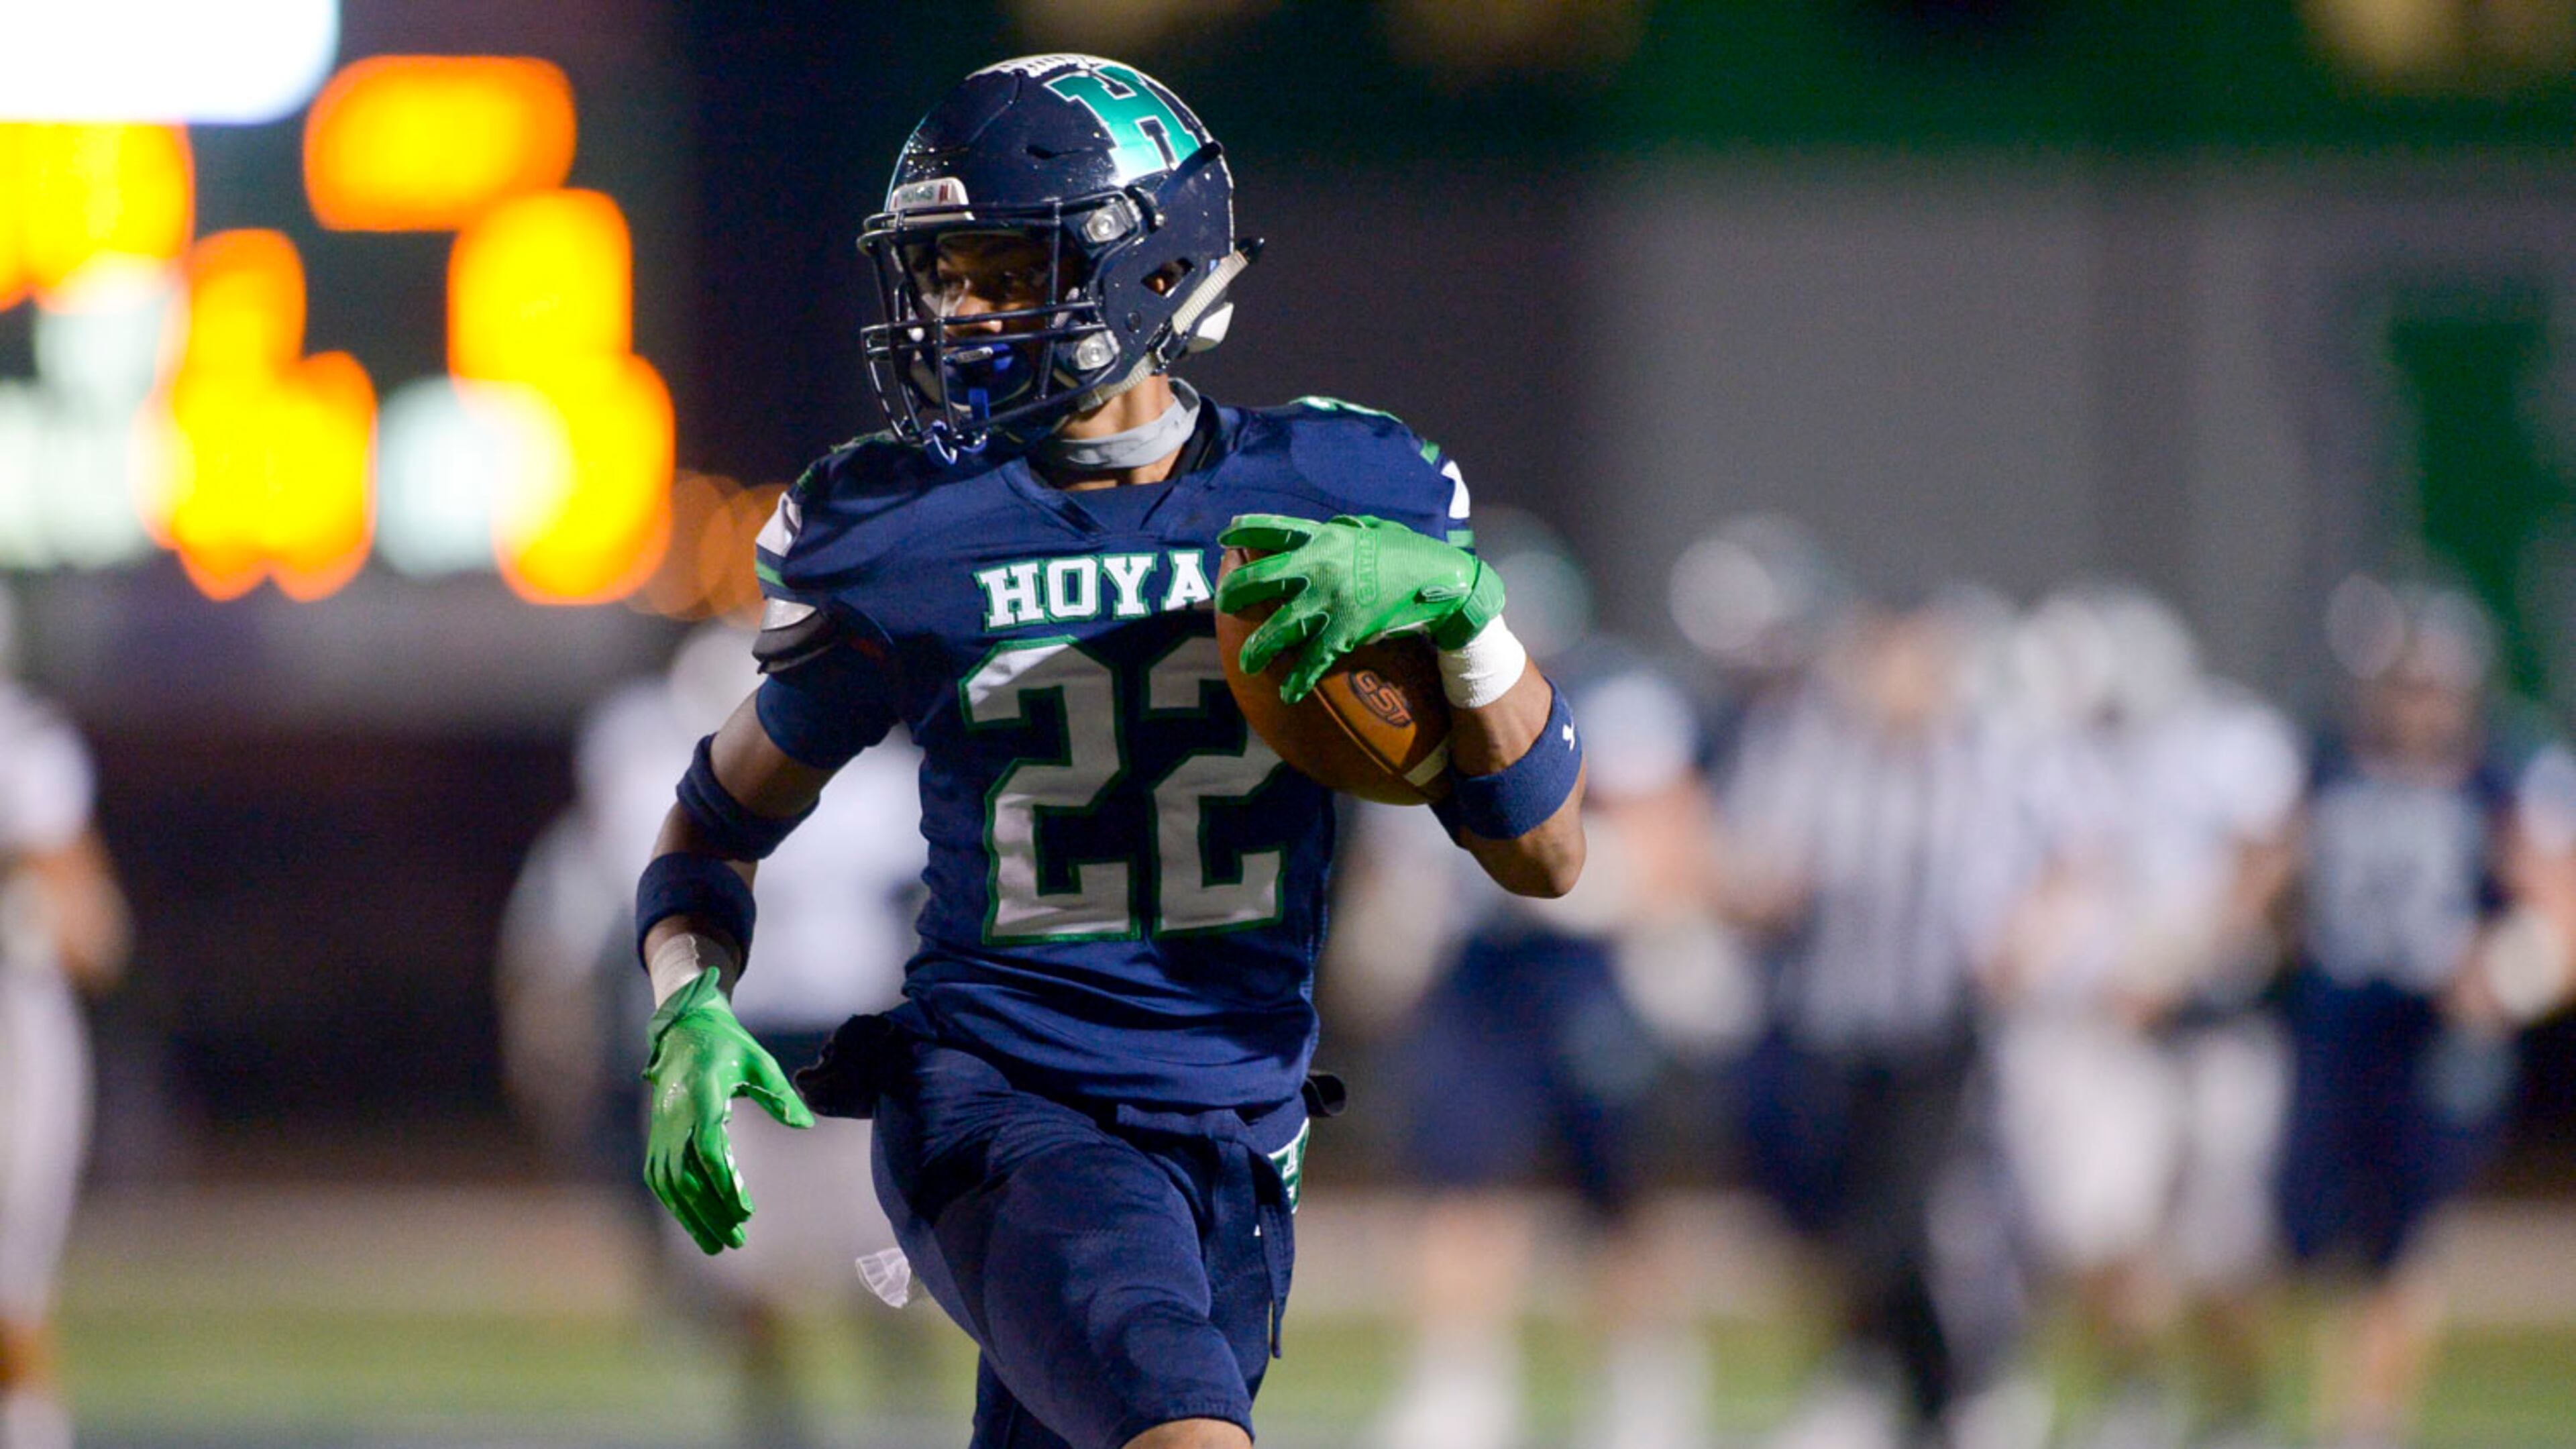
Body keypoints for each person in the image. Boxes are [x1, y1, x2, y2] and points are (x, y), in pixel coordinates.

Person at [629, 55, 1586, 1449]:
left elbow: (1548, 855)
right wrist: (685, 1004)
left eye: (1006, 268)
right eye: (945, 273)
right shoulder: (904, 534)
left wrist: (1471, 618)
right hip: (1002, 1103)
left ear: (1151, 267)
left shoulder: (1339, 496)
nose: (961, 311)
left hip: (1242, 1130)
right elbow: (713, 821)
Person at [1342, 512, 1737, 1449]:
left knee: (1620, 1191)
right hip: (1485, 972)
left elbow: (1673, 835)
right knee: (1457, 1175)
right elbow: (1400, 863)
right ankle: (1461, 1383)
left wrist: (1595, 884)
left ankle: (1645, 1381)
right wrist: (1390, 925)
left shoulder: (1613, 696)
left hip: (1590, 969)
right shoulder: (1418, 703)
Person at [498, 623, 934, 1446]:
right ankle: (776, 1412)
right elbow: (591, 904)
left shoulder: (871, 786)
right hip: (732, 1036)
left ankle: (895, 1391)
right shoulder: (650, 781)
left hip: (844, 1040)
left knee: (879, 1249)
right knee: (739, 1254)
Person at [1723, 590, 2057, 1449]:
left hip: (1936, 1029)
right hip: (1828, 1025)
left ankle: (1953, 1386)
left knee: (1911, 1224)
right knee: (1833, 1221)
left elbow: (2066, 859)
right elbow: (1757, 866)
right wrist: (1757, 891)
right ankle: (1890, 1382)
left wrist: (2026, 935)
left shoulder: (1987, 757)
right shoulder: (1810, 748)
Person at [1986, 584, 2303, 1449]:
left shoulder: (2231, 741)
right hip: (2111, 1029)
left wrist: (2181, 952)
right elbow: (2068, 870)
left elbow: (2268, 862)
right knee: (2099, 1224)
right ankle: (2140, 1393)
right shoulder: (2064, 755)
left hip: (2217, 1024)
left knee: (2222, 1247)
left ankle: (2238, 1405)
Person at [2279, 576, 2576, 1449]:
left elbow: (2559, 903)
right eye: (2399, 683)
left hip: (2435, 1026)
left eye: (2425, 683)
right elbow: (2275, 882)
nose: (2412, 702)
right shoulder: (2328, 763)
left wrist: (2510, 971)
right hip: (2339, 1021)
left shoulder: (2503, 774)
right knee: (2318, 1226)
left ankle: (2367, 1418)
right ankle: (2348, 1408)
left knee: (2399, 1234)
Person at [0, 585, 131, 1449]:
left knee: (11, 1299)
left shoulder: (21, 748)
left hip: (14, 1039)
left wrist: (28, 912)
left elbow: (96, 937)